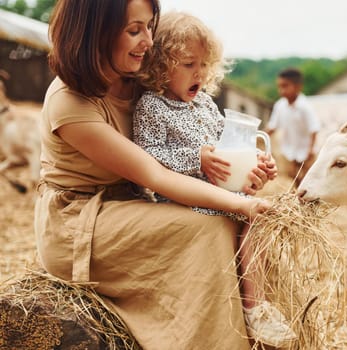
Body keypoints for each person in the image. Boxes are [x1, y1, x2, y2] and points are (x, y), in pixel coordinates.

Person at [34, 1, 276, 349]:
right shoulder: (68, 103)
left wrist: (243, 174)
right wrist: (243, 206)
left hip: (131, 205)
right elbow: (156, 175)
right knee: (209, 226)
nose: (148, 40)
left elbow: (198, 144)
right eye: (134, 30)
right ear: (94, 32)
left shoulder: (138, 83)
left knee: (228, 220)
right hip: (79, 223)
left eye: (150, 26)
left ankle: (253, 327)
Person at [132, 11, 296, 348]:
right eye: (189, 64)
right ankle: (252, 308)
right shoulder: (151, 106)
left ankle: (260, 304)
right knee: (240, 220)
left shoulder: (206, 104)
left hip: (223, 192)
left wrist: (256, 167)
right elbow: (147, 157)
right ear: (161, 64)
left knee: (260, 220)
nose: (200, 73)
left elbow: (231, 149)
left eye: (205, 64)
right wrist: (198, 159)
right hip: (184, 200)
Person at [266, 67, 321, 187]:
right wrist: (259, 138)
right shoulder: (280, 106)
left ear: (297, 87)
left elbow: (314, 129)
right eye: (279, 86)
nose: (281, 90)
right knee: (293, 178)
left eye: (285, 86)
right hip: (289, 151)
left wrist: (310, 149)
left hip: (306, 151)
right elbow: (272, 127)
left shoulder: (305, 107)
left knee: (307, 180)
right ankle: (297, 202)